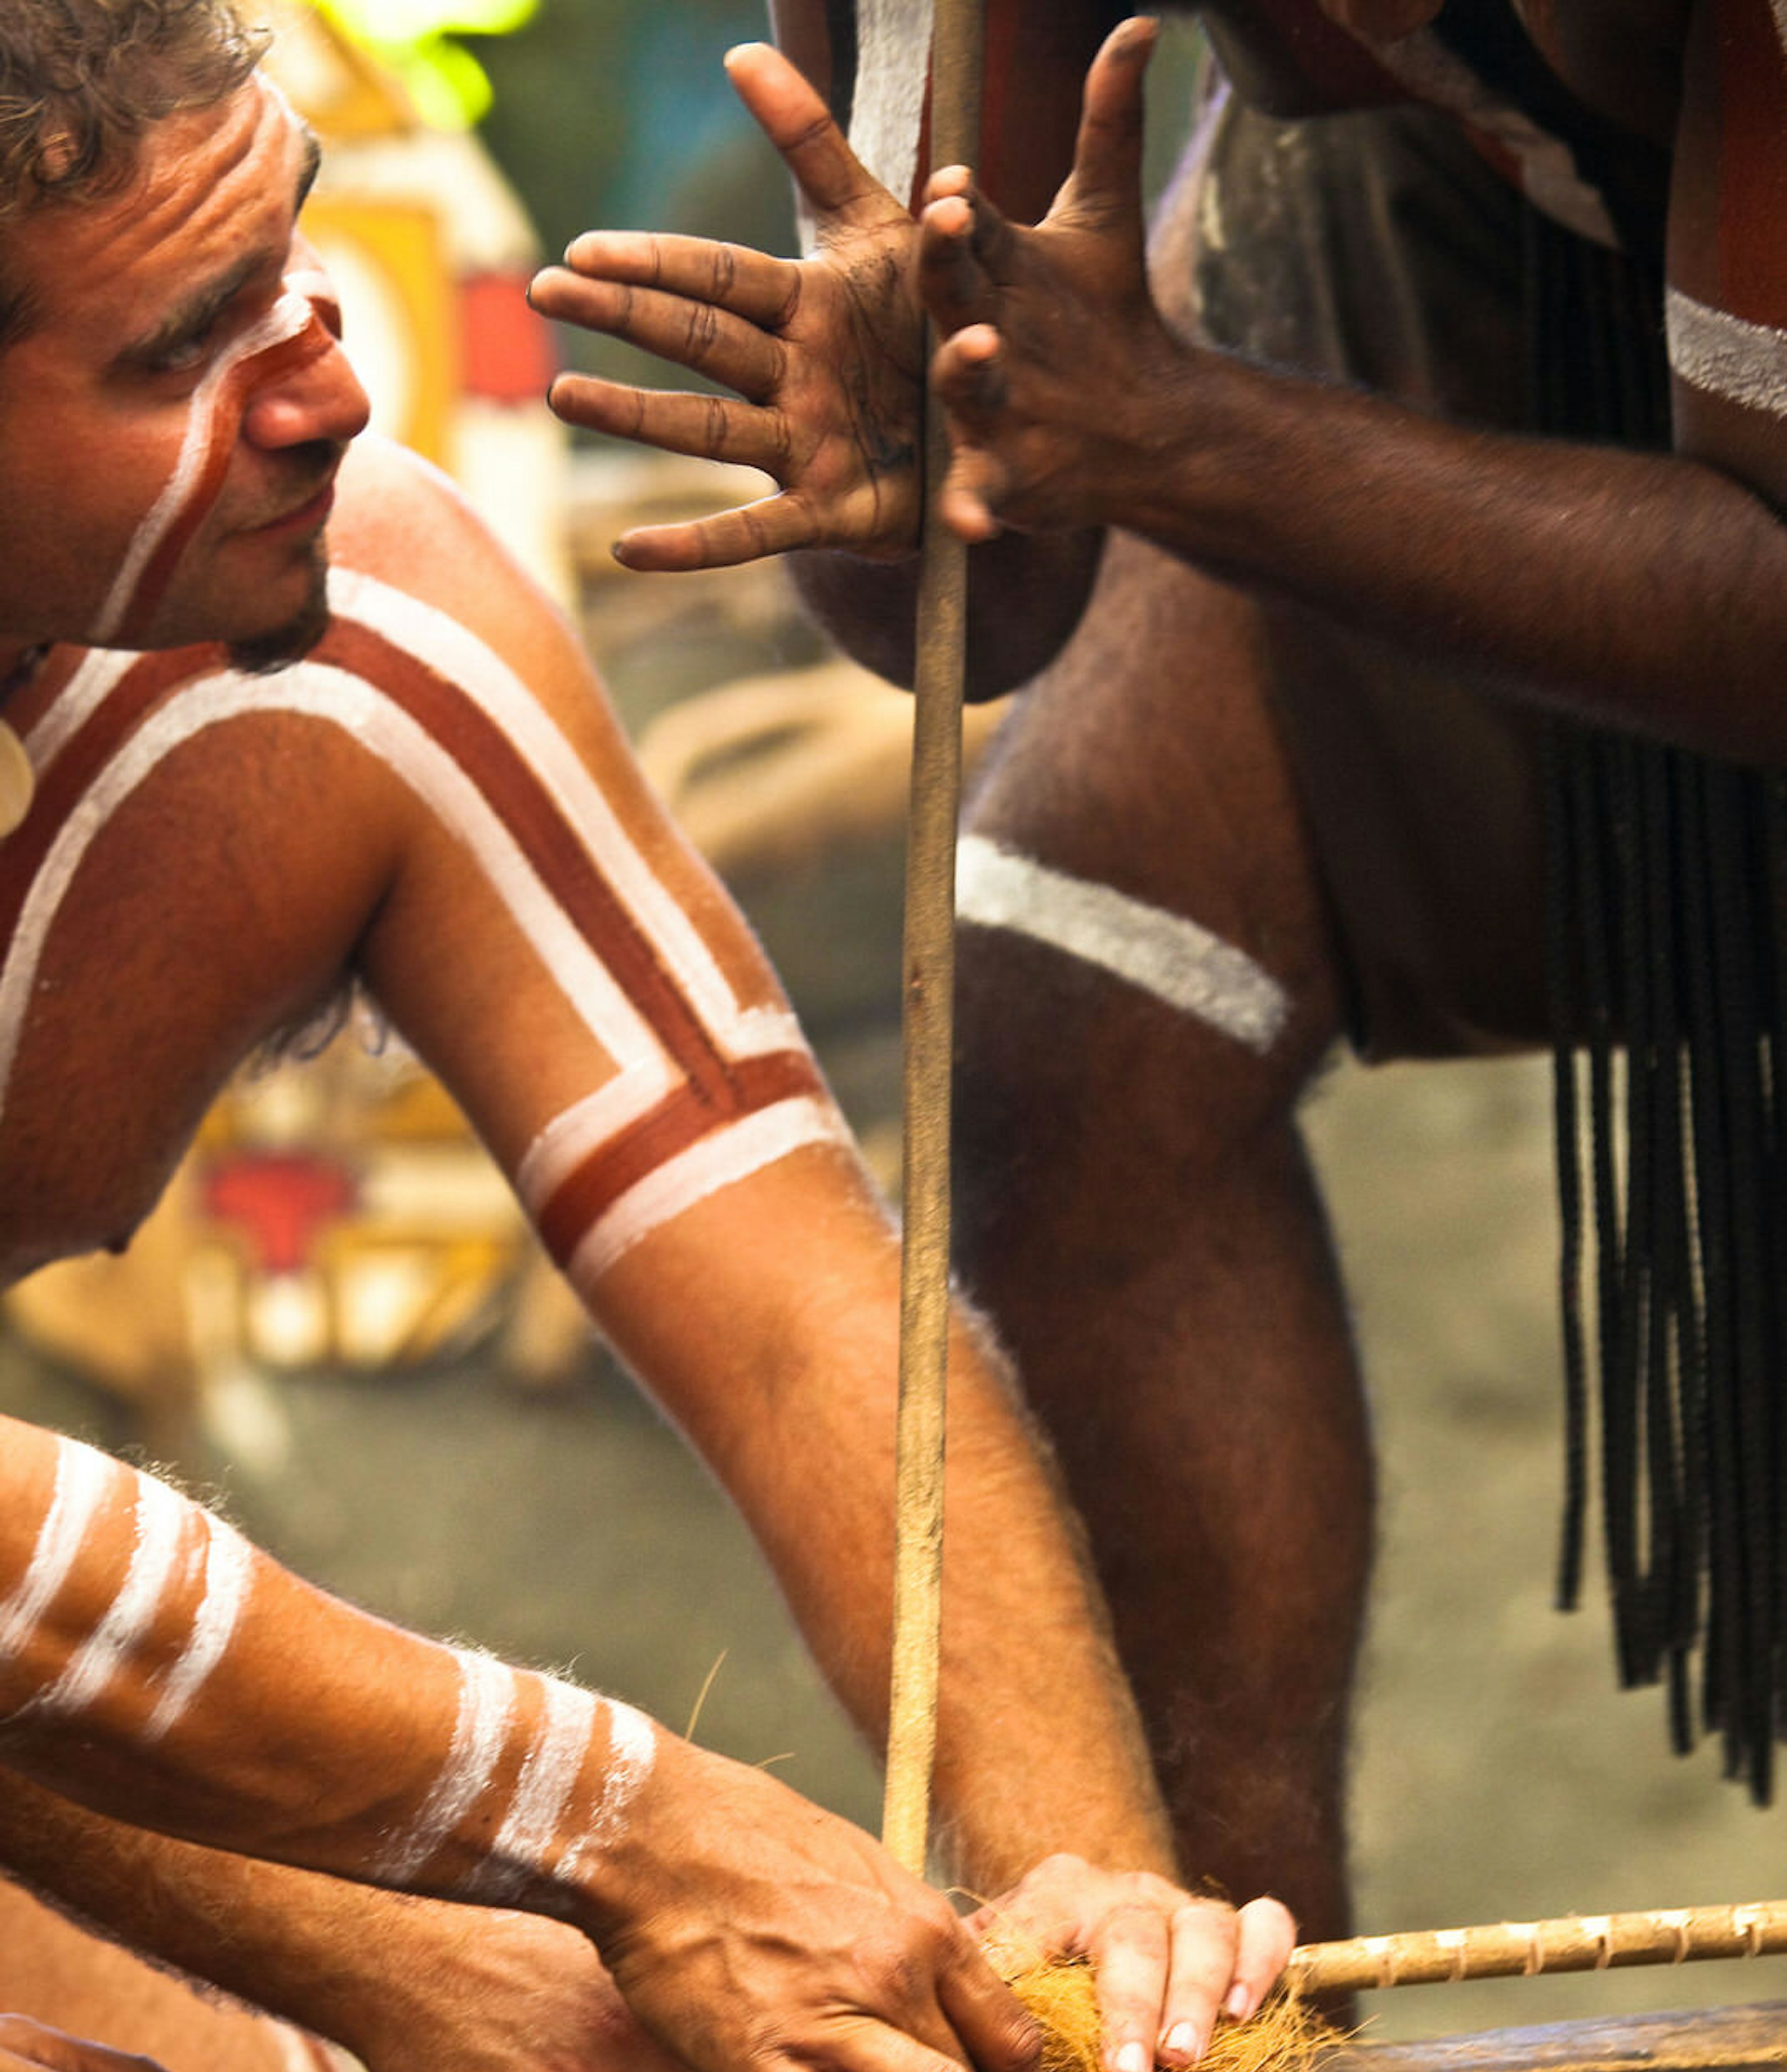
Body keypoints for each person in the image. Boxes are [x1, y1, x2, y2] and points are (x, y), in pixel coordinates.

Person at [0, 0, 1298, 2072]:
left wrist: (1086, 1904)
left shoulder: (356, 634)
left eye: (294, 266)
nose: (326, 382)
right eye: (183, 346)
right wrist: (569, 1860)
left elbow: (798, 1299)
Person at [534, 0, 1787, 1939]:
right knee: (1080, 1014)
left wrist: (1189, 432)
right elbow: (989, 585)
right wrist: (919, 442)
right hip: (1423, 217)